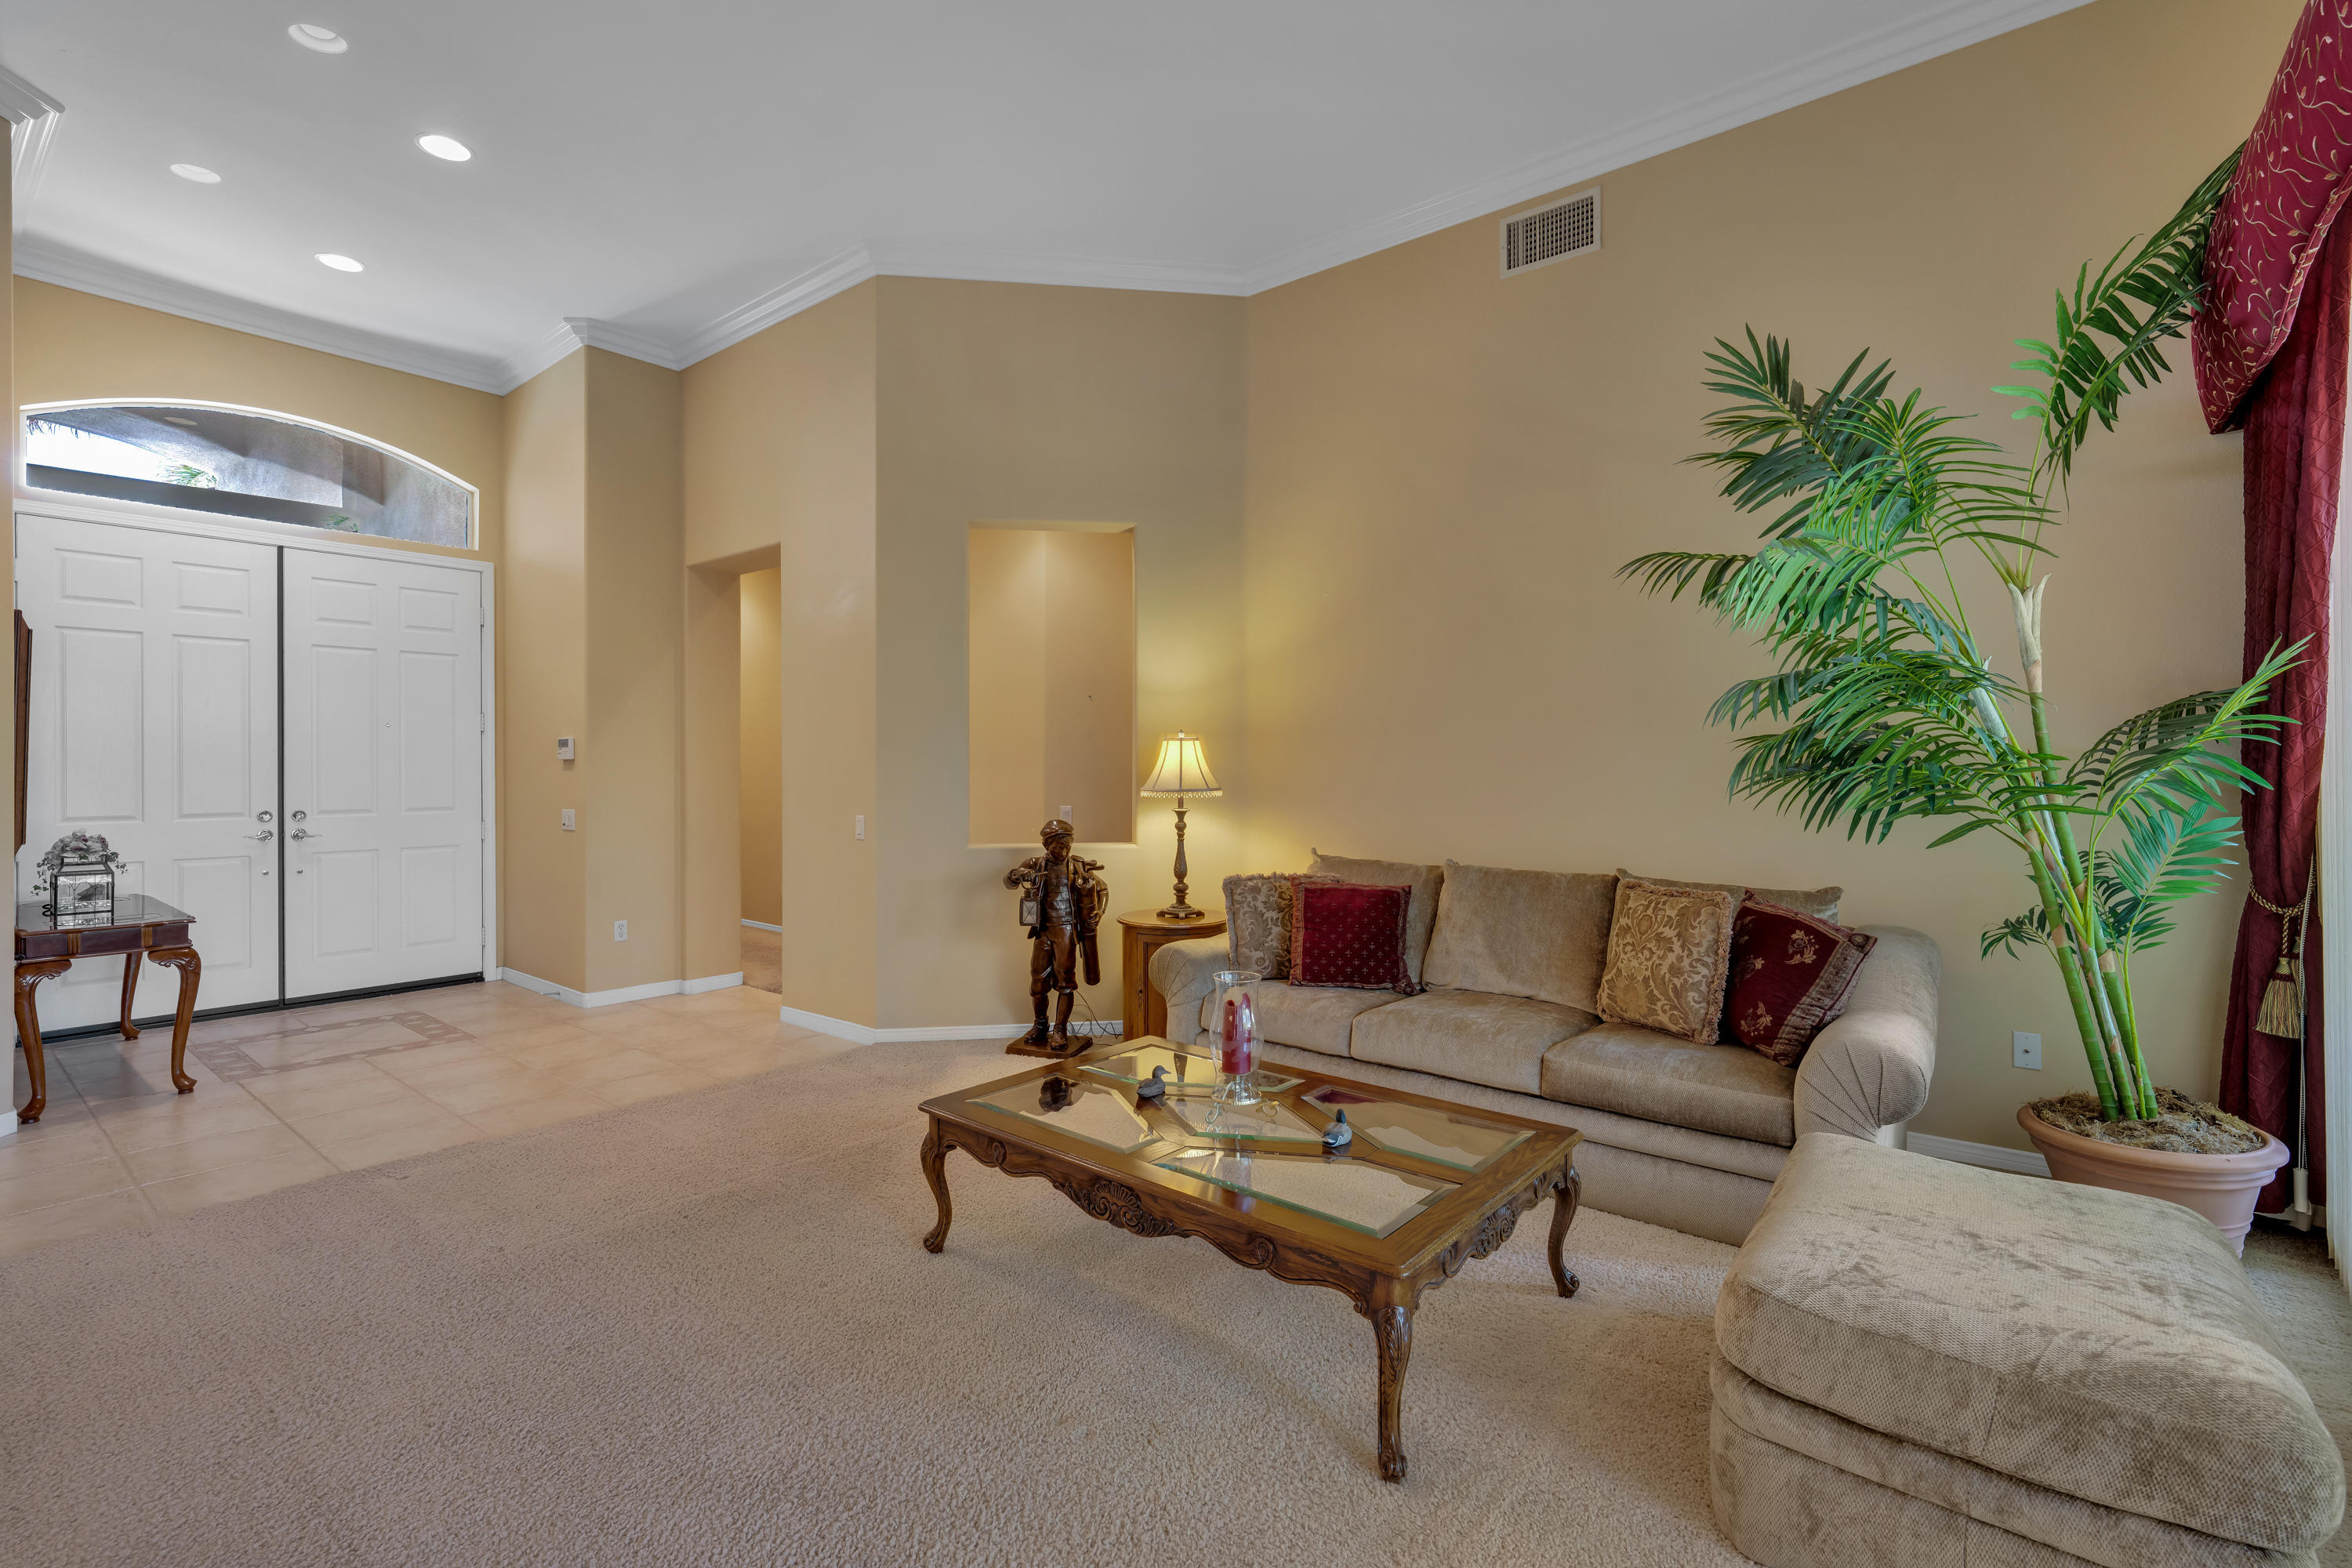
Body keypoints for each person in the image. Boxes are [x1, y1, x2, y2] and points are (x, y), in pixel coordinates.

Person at [1003, 819, 1105, 1051]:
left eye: (1067, 846)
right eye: (1058, 847)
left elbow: (1103, 889)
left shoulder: (1077, 866)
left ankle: (1060, 1028)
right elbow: (1009, 881)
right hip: (1043, 930)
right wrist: (1020, 874)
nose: (1063, 851)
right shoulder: (1035, 863)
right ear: (1045, 844)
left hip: (1067, 930)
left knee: (1066, 981)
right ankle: (1040, 1025)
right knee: (1038, 981)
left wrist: (1100, 911)